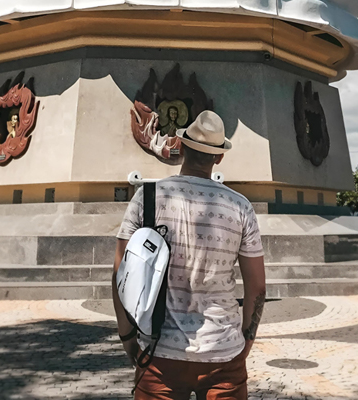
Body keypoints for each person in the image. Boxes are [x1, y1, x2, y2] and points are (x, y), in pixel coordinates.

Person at [112, 110, 267, 399]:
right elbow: (257, 287)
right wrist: (246, 340)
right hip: (223, 353)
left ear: (180, 147)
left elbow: (120, 275)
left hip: (160, 352)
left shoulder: (147, 197)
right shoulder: (240, 206)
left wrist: (128, 339)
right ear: (219, 157)